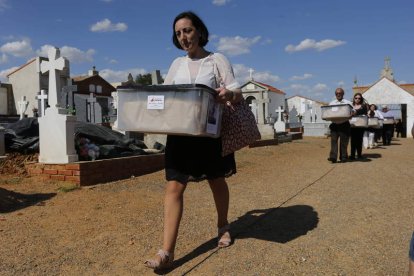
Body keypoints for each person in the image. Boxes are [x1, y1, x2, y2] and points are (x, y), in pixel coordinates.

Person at [144, 11, 242, 270]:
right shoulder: (176, 65)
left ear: (199, 31)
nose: (183, 37)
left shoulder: (217, 60)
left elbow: (238, 93)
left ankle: (223, 225)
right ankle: (166, 252)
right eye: (178, 33)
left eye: (187, 30)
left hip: (209, 135)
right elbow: (166, 96)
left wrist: (228, 93)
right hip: (180, 135)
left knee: (216, 180)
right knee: (174, 187)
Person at [327, 88, 353, 163]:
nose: (338, 95)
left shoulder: (348, 102)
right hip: (334, 125)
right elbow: (328, 112)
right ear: (335, 94)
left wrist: (352, 114)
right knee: (333, 142)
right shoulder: (332, 103)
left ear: (343, 94)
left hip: (344, 124)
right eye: (337, 93)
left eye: (340, 93)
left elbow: (353, 111)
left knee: (344, 142)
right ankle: (333, 157)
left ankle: (343, 157)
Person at [349, 93, 368, 160]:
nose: (357, 99)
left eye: (359, 98)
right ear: (354, 98)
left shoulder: (363, 106)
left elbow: (364, 111)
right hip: (352, 126)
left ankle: (359, 154)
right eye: (356, 98)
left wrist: (355, 112)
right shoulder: (351, 106)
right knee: (353, 141)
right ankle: (352, 155)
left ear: (361, 99)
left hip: (360, 126)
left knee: (359, 140)